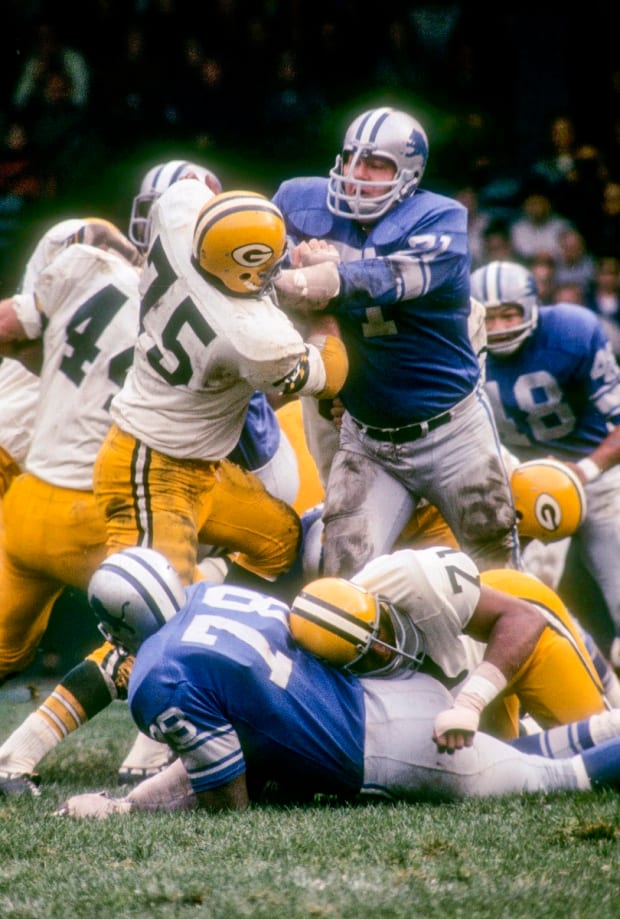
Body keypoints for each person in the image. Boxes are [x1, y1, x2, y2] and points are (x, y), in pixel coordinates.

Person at [0, 182, 348, 796]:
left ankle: (204, 606)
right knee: (157, 626)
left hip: (199, 465)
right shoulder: (253, 332)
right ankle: (20, 754)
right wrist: (324, 304)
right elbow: (325, 373)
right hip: (150, 468)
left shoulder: (181, 211)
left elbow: (184, 195)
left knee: (279, 539)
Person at [55, 548, 620, 818]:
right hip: (392, 696)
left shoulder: (159, 675)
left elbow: (227, 797)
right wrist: (126, 806)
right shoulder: (210, 596)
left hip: (379, 747)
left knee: (558, 779)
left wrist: (129, 810)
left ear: (121, 622)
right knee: (513, 755)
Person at [272, 105, 519, 578]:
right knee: (341, 585)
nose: (358, 174)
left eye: (377, 164)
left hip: (452, 433)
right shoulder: (299, 204)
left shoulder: (439, 218)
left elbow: (381, 279)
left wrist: (303, 280)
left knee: (499, 568)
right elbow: (248, 266)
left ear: (408, 175)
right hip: (367, 438)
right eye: (351, 159)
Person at [470, 259, 620, 669]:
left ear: (531, 308)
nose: (499, 327)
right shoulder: (460, 347)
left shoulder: (573, 331)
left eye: (509, 314)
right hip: (520, 483)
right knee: (518, 595)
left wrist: (585, 470)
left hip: (594, 476)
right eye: (490, 316)